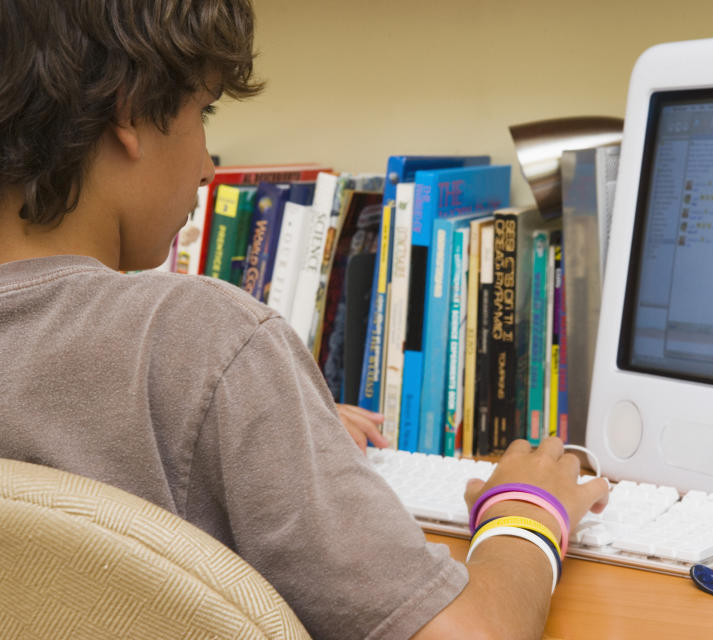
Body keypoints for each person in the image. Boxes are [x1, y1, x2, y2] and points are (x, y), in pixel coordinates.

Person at [0, 1, 609, 638]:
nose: (209, 164)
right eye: (202, 112)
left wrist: (278, 425)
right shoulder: (203, 344)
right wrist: (527, 516)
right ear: (129, 113)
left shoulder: (196, 373)